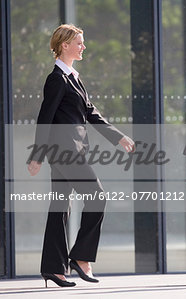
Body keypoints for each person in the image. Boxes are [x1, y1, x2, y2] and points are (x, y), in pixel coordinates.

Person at [27, 24, 135, 288]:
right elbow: (45, 118)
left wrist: (118, 136)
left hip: (70, 151)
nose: (83, 46)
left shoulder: (73, 78)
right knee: (97, 196)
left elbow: (91, 112)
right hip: (64, 152)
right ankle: (81, 258)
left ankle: (53, 268)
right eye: (79, 42)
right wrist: (37, 155)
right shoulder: (57, 79)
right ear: (65, 45)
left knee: (60, 208)